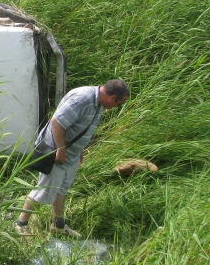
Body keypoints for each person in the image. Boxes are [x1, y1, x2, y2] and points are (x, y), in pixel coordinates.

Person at [15, 79, 130, 238]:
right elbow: (57, 123)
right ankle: (21, 223)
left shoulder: (98, 104)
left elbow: (82, 128)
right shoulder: (82, 98)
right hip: (55, 151)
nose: (117, 108)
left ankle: (58, 225)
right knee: (44, 189)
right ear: (112, 98)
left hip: (72, 153)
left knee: (62, 189)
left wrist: (79, 150)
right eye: (119, 104)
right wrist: (61, 149)